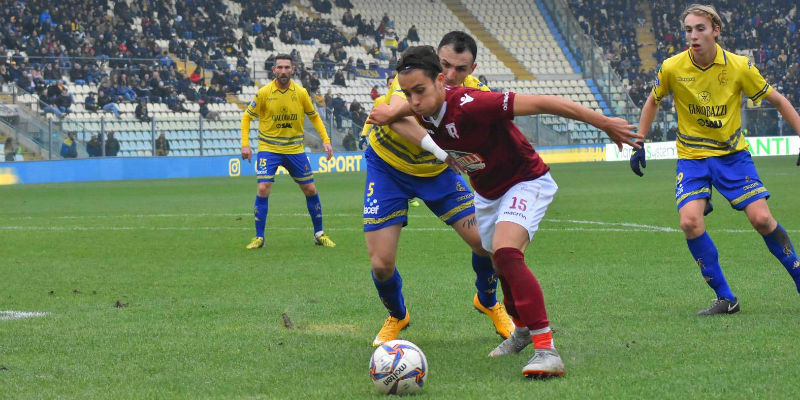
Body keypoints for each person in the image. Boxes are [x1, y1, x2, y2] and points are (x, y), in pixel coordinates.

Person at [369, 45, 639, 377]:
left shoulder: (473, 104)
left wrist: (604, 122)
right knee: (497, 260)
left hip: (525, 180)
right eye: (408, 93)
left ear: (440, 81)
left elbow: (544, 103)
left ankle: (547, 349)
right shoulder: (421, 105)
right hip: (487, 193)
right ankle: (521, 331)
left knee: (507, 253)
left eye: (419, 91)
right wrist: (386, 114)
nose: (414, 100)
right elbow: (397, 111)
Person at [630, 4, 800, 315]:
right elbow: (653, 101)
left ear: (715, 30)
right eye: (688, 30)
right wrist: (638, 141)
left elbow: (777, 100)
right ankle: (726, 298)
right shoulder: (672, 67)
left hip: (733, 157)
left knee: (762, 219)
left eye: (700, 28)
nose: (693, 35)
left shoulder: (739, 66)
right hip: (692, 159)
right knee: (689, 222)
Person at [361, 32, 517, 348]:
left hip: (437, 174)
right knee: (381, 264)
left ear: (472, 69)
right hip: (388, 167)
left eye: (460, 69)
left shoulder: (477, 94)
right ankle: (397, 315)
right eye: (445, 64)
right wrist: (443, 152)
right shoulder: (415, 77)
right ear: (436, 58)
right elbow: (396, 117)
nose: (450, 74)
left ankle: (487, 301)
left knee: (485, 243)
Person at [240, 54, 336, 249]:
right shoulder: (264, 93)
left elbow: (314, 117)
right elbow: (247, 117)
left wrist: (326, 140)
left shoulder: (301, 93)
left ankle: (319, 234)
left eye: (286, 67)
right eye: (280, 67)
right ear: (274, 70)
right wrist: (245, 144)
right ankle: (259, 237)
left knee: (310, 189)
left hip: (294, 149)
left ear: (293, 70)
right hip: (269, 148)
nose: (283, 71)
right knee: (263, 188)